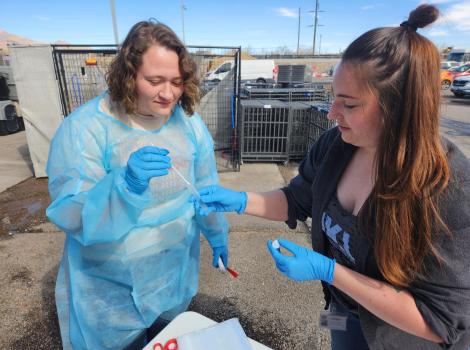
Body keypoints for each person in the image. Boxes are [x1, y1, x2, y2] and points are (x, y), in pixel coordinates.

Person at [194, 4, 470, 350]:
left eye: (349, 105)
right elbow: (297, 200)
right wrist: (238, 200)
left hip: (403, 338)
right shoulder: (337, 145)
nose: (331, 115)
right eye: (333, 99)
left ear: (399, 107)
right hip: (344, 312)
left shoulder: (451, 188)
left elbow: (441, 321)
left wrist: (331, 272)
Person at [46, 20, 229, 350]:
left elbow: (204, 187)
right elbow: (71, 211)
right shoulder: (86, 128)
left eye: (176, 81)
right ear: (129, 75)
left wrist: (217, 233)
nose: (168, 93)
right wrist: (125, 185)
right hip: (111, 286)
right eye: (154, 80)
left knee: (169, 336)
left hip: (173, 275)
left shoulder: (187, 122)